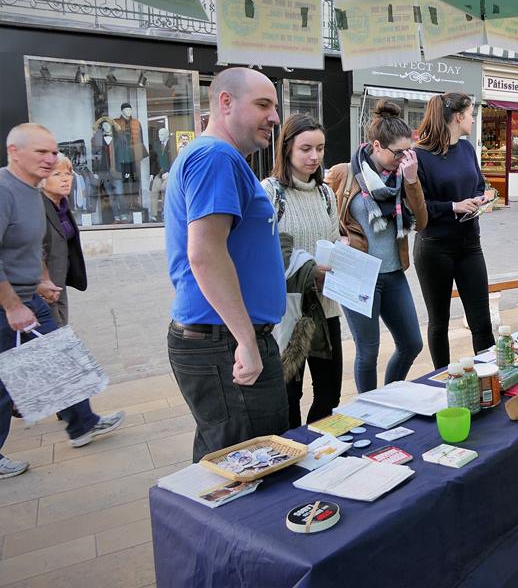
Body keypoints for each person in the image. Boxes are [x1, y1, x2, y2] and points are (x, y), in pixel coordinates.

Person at [164, 68, 288, 463]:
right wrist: (246, 343)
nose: (274, 117)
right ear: (225, 102)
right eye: (263, 105)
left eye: (275, 107)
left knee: (227, 464)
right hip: (225, 342)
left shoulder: (219, 157)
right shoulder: (216, 156)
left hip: (224, 339)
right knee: (252, 467)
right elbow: (205, 253)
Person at [1, 124, 124, 479]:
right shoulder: (4, 190)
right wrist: (12, 305)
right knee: (10, 384)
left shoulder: (31, 192)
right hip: (7, 301)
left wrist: (41, 280)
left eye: (53, 152)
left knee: (61, 358)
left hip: (27, 295)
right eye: (41, 152)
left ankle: (82, 424)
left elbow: (29, 246)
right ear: (14, 151)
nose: (50, 158)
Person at [325, 101, 426, 393]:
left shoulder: (404, 176)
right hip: (357, 273)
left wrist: (412, 180)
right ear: (377, 145)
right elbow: (324, 212)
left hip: (394, 273)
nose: (403, 159)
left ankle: (390, 395)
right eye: (398, 153)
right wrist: (336, 238)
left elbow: (421, 221)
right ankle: (368, 410)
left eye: (409, 152)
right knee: (368, 351)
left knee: (411, 343)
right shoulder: (343, 173)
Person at [261, 114, 342, 425]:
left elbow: (333, 240)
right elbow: (264, 254)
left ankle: (317, 447)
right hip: (288, 313)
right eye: (306, 149)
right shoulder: (269, 192)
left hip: (327, 307)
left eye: (320, 149)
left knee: (329, 393)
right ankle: (294, 454)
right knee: (288, 396)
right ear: (287, 150)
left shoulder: (325, 194)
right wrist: (308, 269)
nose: (314, 157)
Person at [414, 92, 495, 368]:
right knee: (439, 323)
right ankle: (443, 379)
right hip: (435, 247)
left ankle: (490, 377)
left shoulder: (467, 148)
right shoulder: (420, 155)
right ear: (458, 117)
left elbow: (478, 184)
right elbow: (418, 207)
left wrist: (481, 198)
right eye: (471, 114)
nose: (472, 119)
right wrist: (453, 206)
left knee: (482, 322)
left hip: (470, 244)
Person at [40, 153, 87, 325]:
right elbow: (31, 249)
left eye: (68, 174)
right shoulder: (37, 206)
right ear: (43, 179)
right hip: (44, 288)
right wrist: (42, 281)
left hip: (60, 281)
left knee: (62, 328)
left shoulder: (62, 204)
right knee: (54, 332)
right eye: (57, 174)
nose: (65, 179)